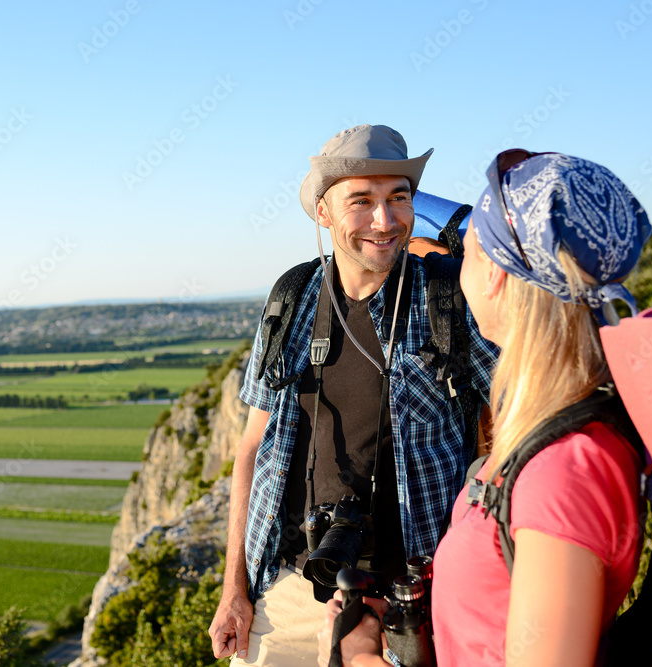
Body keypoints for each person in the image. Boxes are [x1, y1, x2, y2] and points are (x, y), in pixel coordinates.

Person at [317, 150, 652, 666]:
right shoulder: (543, 430)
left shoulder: (564, 472)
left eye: (465, 251)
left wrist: (360, 658)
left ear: (494, 277)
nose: (441, 261)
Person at [209, 124, 498, 666]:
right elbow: (252, 450)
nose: (385, 222)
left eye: (398, 198)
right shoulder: (292, 299)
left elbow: (529, 408)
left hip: (413, 600)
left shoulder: (447, 299)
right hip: (292, 586)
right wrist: (235, 590)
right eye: (361, 201)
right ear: (324, 212)